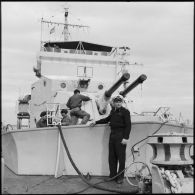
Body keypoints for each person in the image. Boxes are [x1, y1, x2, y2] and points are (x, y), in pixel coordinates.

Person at [90, 95, 131, 184]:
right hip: (112, 135)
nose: (118, 103)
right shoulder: (113, 111)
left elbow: (128, 125)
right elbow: (107, 119)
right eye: (116, 102)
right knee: (112, 157)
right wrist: (96, 122)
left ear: (122, 102)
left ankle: (120, 177)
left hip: (120, 136)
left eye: (120, 102)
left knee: (121, 158)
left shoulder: (125, 112)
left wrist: (126, 138)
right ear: (114, 103)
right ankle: (112, 176)